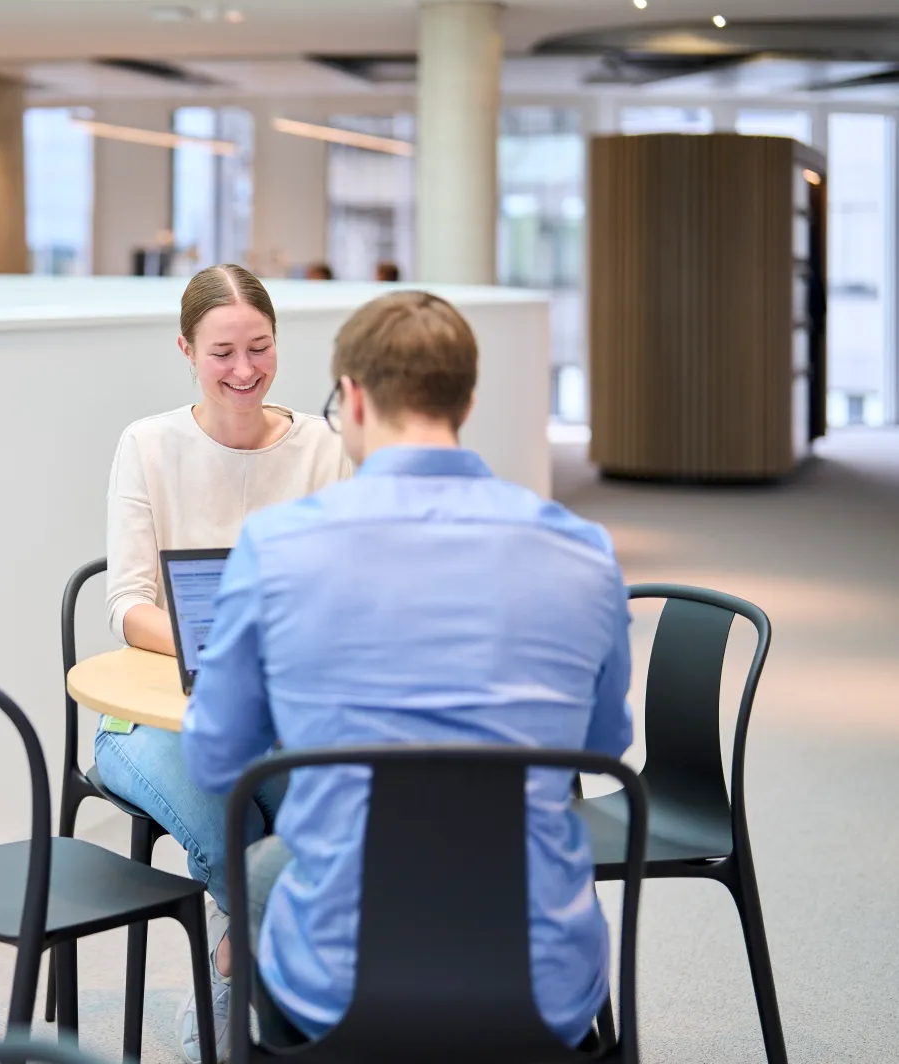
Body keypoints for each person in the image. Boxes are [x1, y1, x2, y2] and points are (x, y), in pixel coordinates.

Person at [181, 290, 633, 1050]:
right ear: (467, 399)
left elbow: (216, 756)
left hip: (341, 978)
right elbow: (602, 743)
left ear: (352, 398)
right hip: (537, 980)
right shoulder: (584, 551)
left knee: (265, 874)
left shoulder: (278, 549)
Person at [99, 263, 350, 1063]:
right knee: (231, 807)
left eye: (261, 347)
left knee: (324, 794)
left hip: (282, 711)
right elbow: (128, 604)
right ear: (185, 349)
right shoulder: (148, 444)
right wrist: (226, 636)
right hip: (151, 717)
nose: (245, 370)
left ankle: (244, 975)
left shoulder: (325, 447)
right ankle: (242, 966)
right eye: (222, 353)